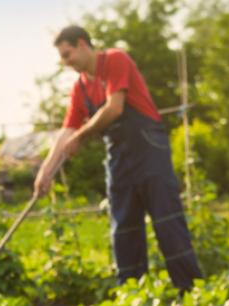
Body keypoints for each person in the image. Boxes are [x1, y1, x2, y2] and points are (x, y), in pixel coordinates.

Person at [35, 25, 202, 291]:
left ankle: (192, 293)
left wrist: (81, 136)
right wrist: (45, 171)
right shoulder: (80, 88)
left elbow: (114, 108)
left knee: (166, 220)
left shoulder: (114, 59)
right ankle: (133, 299)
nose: (66, 63)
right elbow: (66, 132)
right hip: (119, 156)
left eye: (67, 55)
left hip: (148, 148)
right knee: (124, 228)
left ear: (81, 44)